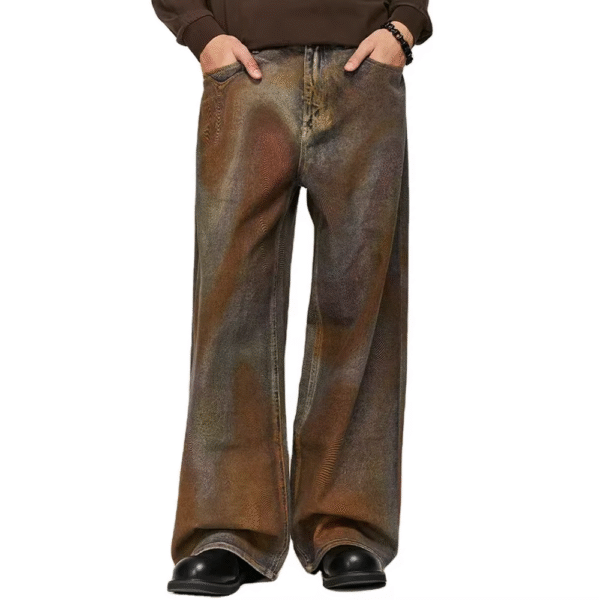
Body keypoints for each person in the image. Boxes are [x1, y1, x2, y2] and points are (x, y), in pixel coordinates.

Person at [151, 0, 433, 594]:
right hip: (245, 70)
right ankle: (225, 528)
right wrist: (202, 34)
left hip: (365, 69)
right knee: (230, 307)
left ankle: (347, 524)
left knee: (360, 306)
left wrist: (404, 25)